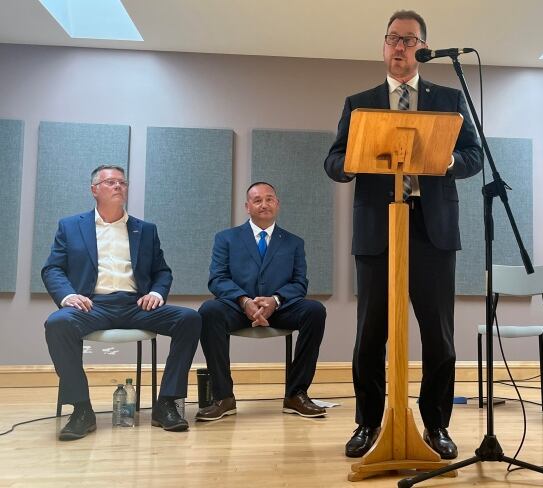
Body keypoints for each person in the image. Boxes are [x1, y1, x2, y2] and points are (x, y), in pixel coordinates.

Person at [324, 10, 481, 459]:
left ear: (423, 49)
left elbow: (473, 155)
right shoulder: (361, 102)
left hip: (433, 232)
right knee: (370, 336)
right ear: (384, 45)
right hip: (379, 230)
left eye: (409, 40)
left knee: (439, 336)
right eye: (393, 38)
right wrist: (355, 158)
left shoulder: (449, 100)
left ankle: (436, 425)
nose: (400, 47)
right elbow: (333, 162)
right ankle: (368, 423)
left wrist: (445, 162)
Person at [42, 164, 201, 441]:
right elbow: (52, 268)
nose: (118, 186)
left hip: (135, 305)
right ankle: (81, 409)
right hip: (92, 305)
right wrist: (68, 296)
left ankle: (166, 403)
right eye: (110, 182)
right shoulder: (70, 226)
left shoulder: (145, 230)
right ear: (94, 190)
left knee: (189, 319)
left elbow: (162, 271)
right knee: (57, 323)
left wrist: (157, 293)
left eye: (122, 183)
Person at [196, 182, 326, 421]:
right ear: (247, 206)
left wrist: (275, 300)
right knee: (209, 310)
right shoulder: (226, 238)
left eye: (269, 199)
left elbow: (299, 283)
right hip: (237, 307)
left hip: (280, 308)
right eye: (257, 200)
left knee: (315, 310)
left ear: (277, 204)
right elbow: (217, 279)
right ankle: (223, 397)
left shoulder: (294, 242)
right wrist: (244, 300)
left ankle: (296, 394)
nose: (264, 204)